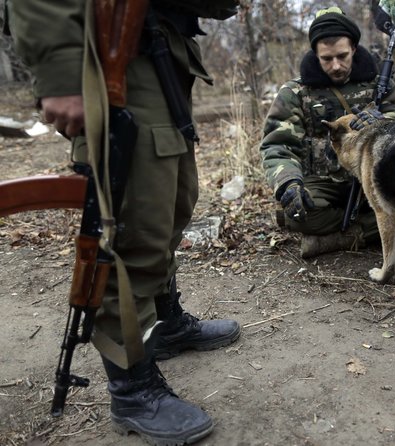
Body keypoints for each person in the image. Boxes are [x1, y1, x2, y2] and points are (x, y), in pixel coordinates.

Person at [6, 0, 241, 443]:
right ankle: (133, 387)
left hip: (162, 48)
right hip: (111, 47)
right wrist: (59, 66)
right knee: (131, 226)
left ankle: (165, 325)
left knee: (171, 206)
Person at [259, 6, 395, 258]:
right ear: (315, 54)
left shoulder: (379, 85)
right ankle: (376, 226)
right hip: (324, 183)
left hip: (372, 180)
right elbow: (277, 145)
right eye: (326, 59)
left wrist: (381, 120)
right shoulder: (295, 92)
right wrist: (288, 182)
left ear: (353, 48)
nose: (337, 65)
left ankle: (342, 236)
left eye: (342, 55)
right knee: (296, 214)